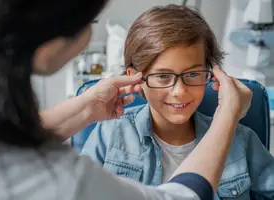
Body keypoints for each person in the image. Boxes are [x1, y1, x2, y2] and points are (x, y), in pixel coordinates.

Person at [0, 1, 252, 200]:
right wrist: (227, 116)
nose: (178, 91)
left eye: (192, 74)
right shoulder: (99, 146)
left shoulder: (244, 140)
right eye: (88, 22)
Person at [81, 5, 274, 200]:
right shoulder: (110, 134)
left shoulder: (240, 139)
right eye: (163, 76)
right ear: (136, 79)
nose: (180, 91)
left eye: (192, 74)